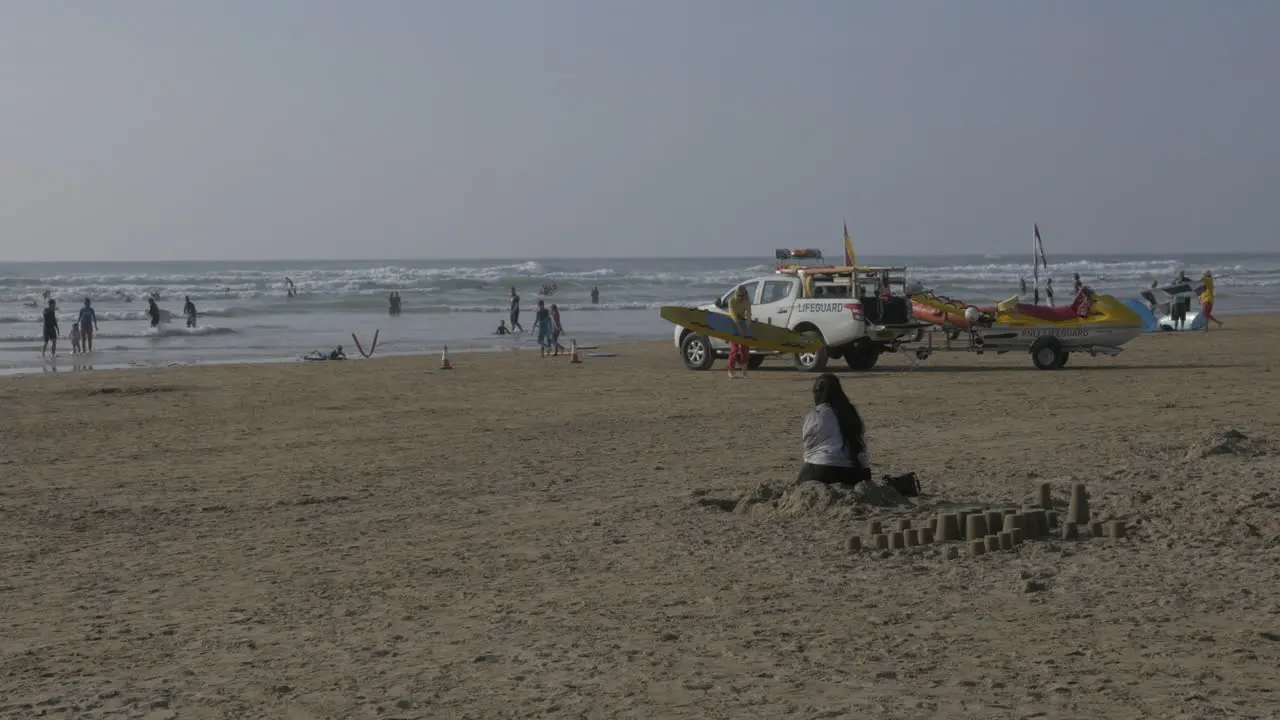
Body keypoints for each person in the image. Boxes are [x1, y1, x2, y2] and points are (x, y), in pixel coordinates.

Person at [798, 373, 871, 486]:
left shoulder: (817, 414)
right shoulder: (850, 411)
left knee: (797, 485)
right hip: (858, 471)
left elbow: (809, 446)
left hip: (825, 467)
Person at [726, 285, 752, 379]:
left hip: (742, 322)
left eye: (742, 296)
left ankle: (744, 372)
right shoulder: (731, 301)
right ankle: (730, 371)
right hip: (732, 324)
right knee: (734, 349)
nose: (741, 298)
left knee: (745, 349)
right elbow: (733, 315)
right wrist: (739, 328)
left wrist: (748, 327)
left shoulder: (746, 301)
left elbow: (748, 316)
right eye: (739, 296)